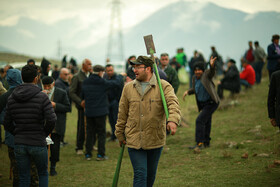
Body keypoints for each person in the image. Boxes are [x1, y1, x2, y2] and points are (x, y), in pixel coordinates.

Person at [115, 56, 181, 187]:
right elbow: (122, 113)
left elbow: (173, 104)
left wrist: (173, 120)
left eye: (138, 67)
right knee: (140, 174)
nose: (134, 70)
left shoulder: (163, 86)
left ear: (148, 68)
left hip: (155, 138)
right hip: (134, 139)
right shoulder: (128, 88)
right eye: (134, 67)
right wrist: (119, 133)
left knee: (150, 175)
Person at [4, 64, 57, 187]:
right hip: (37, 141)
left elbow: (7, 122)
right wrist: (43, 133)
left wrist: (17, 132)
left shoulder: (12, 97)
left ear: (22, 78)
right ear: (36, 78)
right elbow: (52, 119)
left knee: (24, 176)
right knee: (43, 173)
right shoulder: (42, 96)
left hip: (20, 142)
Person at [0, 69, 39, 186]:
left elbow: (2, 119)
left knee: (17, 171)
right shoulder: (30, 92)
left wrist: (13, 129)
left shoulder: (4, 97)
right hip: (31, 137)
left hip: (12, 138)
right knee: (32, 170)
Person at [82, 65, 123, 161]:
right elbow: (116, 83)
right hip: (100, 112)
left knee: (89, 132)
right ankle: (100, 154)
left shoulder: (86, 81)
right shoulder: (102, 82)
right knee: (101, 133)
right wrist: (120, 76)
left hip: (89, 111)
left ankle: (88, 154)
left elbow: (82, 95)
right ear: (101, 72)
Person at [183, 57, 219, 149]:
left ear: (203, 70)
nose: (197, 72)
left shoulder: (206, 75)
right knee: (206, 122)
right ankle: (206, 142)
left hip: (211, 103)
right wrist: (188, 92)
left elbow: (211, 72)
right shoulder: (195, 78)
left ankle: (199, 143)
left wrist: (211, 65)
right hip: (203, 104)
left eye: (199, 70)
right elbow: (196, 89)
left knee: (199, 120)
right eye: (195, 70)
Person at [42, 76, 71, 176]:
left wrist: (56, 105)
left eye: (48, 85)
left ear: (53, 83)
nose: (47, 88)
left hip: (56, 126)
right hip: (43, 127)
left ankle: (53, 167)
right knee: (43, 148)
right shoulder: (40, 93)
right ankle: (43, 167)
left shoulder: (61, 93)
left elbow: (68, 107)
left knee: (54, 149)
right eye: (44, 86)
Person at [69, 59, 92, 155]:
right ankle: (79, 147)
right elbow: (71, 92)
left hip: (92, 106)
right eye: (89, 64)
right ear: (83, 65)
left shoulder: (91, 76)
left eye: (91, 64)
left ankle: (90, 144)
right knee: (81, 126)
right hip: (82, 106)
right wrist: (80, 102)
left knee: (91, 126)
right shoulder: (77, 77)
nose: (90, 66)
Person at [103, 64, 124, 142]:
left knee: (116, 120)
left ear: (113, 70)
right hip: (108, 101)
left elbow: (117, 84)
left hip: (116, 101)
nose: (110, 72)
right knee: (110, 119)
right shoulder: (105, 78)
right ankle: (113, 135)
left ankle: (118, 135)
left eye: (111, 70)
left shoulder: (118, 78)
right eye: (108, 71)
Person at [55, 68, 71, 145]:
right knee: (60, 125)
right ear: (60, 74)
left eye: (68, 74)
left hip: (63, 107)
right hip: (59, 107)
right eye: (65, 74)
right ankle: (60, 141)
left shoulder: (64, 82)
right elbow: (61, 95)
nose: (67, 76)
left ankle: (61, 140)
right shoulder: (58, 83)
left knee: (62, 124)